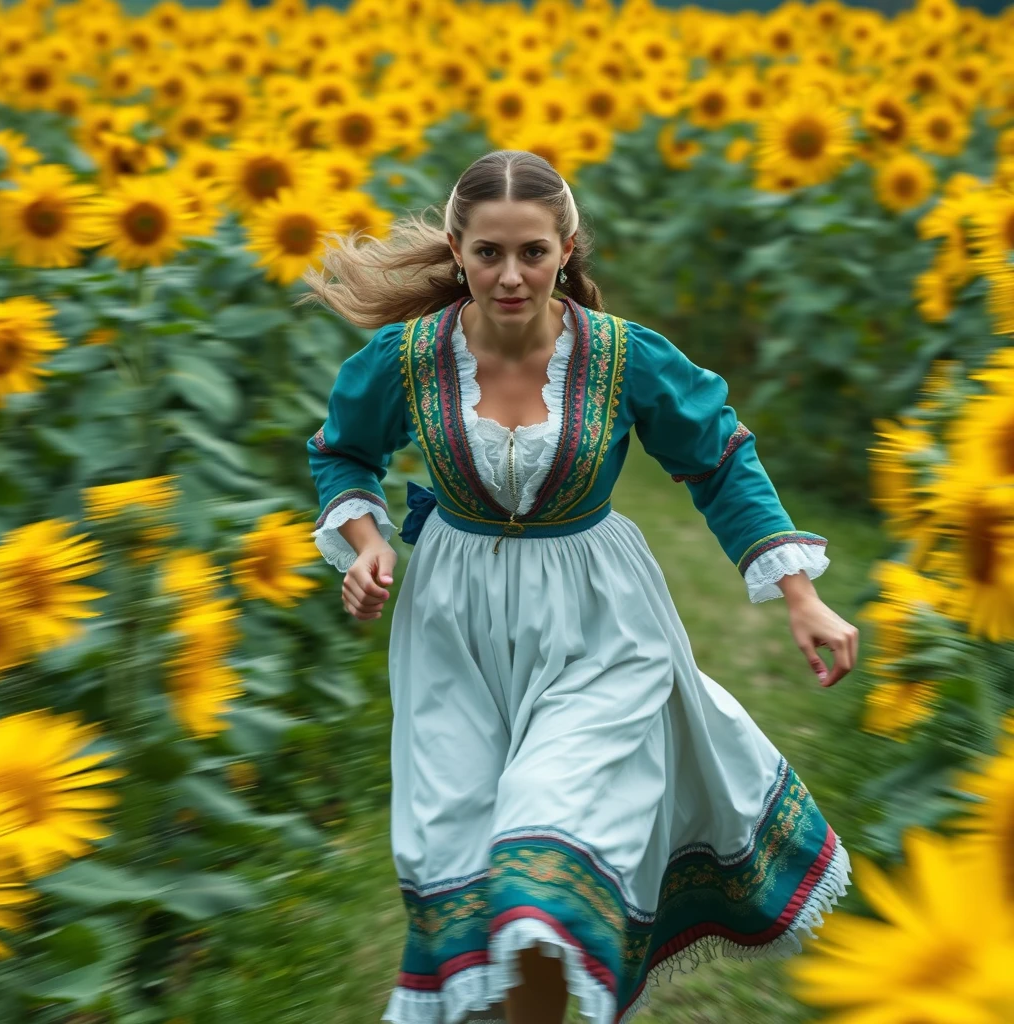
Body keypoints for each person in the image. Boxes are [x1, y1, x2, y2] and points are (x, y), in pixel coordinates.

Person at [303, 149, 858, 1024]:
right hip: (452, 629)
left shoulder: (623, 355)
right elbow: (341, 451)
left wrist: (799, 592)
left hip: (598, 625)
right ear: (456, 248)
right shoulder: (406, 358)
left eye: (533, 252)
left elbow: (719, 458)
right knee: (459, 860)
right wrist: (367, 542)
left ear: (568, 248)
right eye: (489, 253)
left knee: (544, 862)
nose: (511, 275)